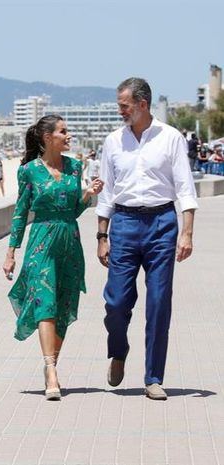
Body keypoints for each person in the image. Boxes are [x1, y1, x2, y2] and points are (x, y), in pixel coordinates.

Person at [96, 78, 198, 401]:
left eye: (124, 105)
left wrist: (187, 232)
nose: (120, 110)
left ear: (142, 104)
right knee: (115, 302)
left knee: (158, 302)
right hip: (124, 223)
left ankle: (154, 377)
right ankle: (119, 350)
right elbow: (107, 192)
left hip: (162, 224)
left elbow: (185, 188)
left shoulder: (171, 138)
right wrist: (102, 235)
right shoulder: (113, 141)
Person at [2, 114, 103, 401]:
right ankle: (51, 370)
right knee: (44, 302)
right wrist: (11, 251)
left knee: (62, 305)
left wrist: (88, 196)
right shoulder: (29, 171)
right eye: (63, 131)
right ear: (48, 137)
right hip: (41, 243)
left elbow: (72, 211)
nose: (68, 135)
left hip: (69, 242)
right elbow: (21, 213)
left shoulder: (74, 166)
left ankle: (51, 364)